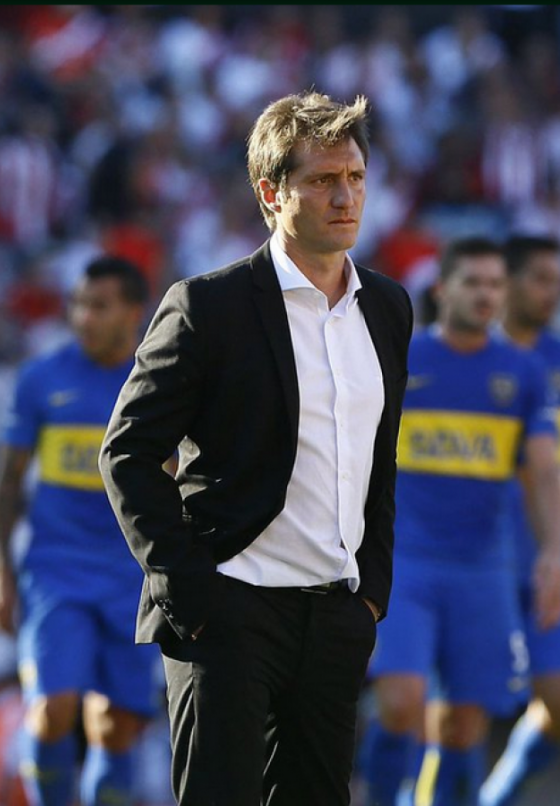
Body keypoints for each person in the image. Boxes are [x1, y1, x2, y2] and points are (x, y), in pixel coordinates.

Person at [98, 91, 413, 804]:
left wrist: (370, 596)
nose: (346, 196)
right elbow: (127, 453)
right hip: (228, 612)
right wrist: (190, 595)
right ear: (272, 194)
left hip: (334, 616)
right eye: (323, 180)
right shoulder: (207, 306)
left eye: (356, 177)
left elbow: (378, 460)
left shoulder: (389, 307)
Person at [359, 238, 560, 806]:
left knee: (463, 726)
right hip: (406, 563)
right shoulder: (402, 359)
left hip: (483, 570)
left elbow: (545, 473)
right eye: (473, 283)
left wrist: (553, 550)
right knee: (401, 703)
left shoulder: (522, 372)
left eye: (496, 285)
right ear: (442, 289)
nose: (486, 295)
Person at [0, 255, 157, 806]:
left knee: (115, 726)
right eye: (78, 305)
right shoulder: (41, 379)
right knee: (51, 709)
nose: (83, 317)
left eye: (98, 306)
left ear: (133, 312)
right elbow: (8, 481)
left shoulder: (162, 382)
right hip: (55, 571)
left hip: (134, 578)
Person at [480, 236, 560, 806]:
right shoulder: (468, 353)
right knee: (458, 714)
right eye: (541, 279)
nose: (554, 293)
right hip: (478, 560)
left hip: (548, 561)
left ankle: (492, 799)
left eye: (559, 281)